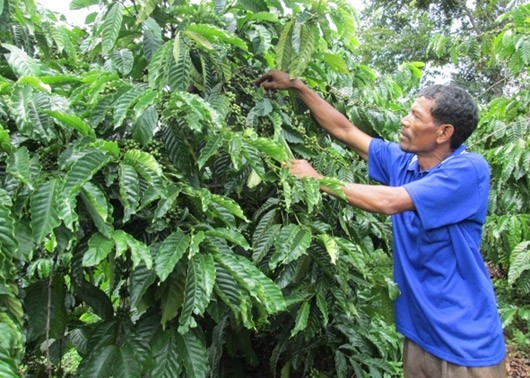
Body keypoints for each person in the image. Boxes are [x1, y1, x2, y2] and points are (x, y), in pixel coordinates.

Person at [255, 69, 506, 378]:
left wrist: (319, 180)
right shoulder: (404, 163)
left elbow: (389, 202)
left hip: (465, 344)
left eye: (415, 116)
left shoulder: (468, 170)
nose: (404, 120)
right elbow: (345, 130)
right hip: (419, 335)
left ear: (443, 133)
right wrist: (297, 87)